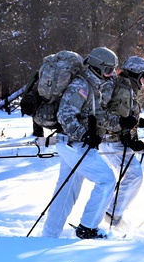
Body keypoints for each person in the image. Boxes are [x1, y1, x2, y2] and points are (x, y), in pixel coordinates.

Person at [41, 46, 119, 240]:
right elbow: (64, 114)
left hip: (74, 145)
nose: (111, 75)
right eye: (109, 70)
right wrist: (84, 135)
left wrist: (122, 123)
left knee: (66, 191)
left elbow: (99, 115)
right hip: (74, 145)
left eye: (113, 70)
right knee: (107, 180)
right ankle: (88, 228)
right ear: (97, 67)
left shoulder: (93, 87)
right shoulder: (81, 86)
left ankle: (49, 236)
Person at [99, 56, 144, 228]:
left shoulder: (128, 89)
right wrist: (120, 125)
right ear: (135, 73)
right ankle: (112, 215)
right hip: (109, 140)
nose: (143, 81)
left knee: (132, 175)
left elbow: (126, 117)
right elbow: (98, 113)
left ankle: (114, 214)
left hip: (118, 141)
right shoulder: (113, 86)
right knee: (133, 175)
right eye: (142, 76)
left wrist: (141, 125)